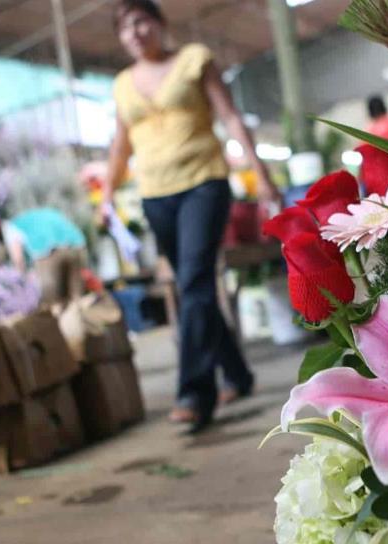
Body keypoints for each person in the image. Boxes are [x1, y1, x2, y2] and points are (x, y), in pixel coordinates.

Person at [102, 0, 279, 431]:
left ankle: (194, 392)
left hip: (204, 183)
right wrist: (107, 191)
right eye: (125, 28)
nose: (135, 33)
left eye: (141, 21)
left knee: (196, 282)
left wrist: (261, 173)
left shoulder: (194, 60)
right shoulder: (123, 84)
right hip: (155, 195)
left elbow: (231, 118)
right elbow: (121, 144)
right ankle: (237, 373)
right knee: (190, 285)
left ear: (159, 23)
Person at [3, 207, 88, 305]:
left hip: (47, 252)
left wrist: (22, 278)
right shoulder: (47, 212)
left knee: (53, 300)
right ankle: (77, 314)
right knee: (76, 296)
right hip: (75, 247)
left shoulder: (12, 225)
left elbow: (18, 258)